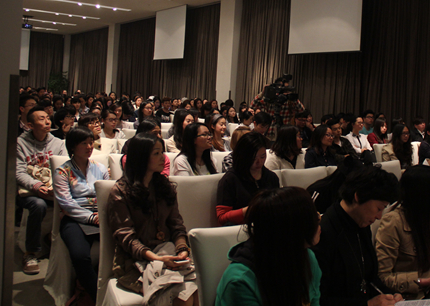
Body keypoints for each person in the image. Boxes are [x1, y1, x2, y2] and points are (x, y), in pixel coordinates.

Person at [107, 133, 198, 305]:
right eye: (156, 153)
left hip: (168, 251)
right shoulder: (120, 192)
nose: (163, 157)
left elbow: (177, 225)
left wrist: (182, 250)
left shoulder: (164, 186)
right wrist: (158, 259)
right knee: (182, 297)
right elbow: (127, 238)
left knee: (198, 288)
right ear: (141, 157)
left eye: (162, 152)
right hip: (136, 261)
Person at [312, 165, 404, 306]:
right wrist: (368, 304)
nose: (379, 216)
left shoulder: (360, 222)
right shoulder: (324, 233)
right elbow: (320, 300)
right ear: (358, 196)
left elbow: (369, 278)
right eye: (379, 208)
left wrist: (390, 296)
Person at [215, 187, 322, 306]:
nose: (319, 219)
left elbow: (313, 300)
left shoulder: (307, 257)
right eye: (313, 218)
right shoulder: (240, 283)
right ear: (293, 229)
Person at [375, 165, 430, 299]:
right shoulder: (393, 223)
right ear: (425, 193)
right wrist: (422, 282)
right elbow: (383, 277)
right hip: (411, 297)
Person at [54, 127, 109, 302]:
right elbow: (66, 203)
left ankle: (107, 287)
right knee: (80, 255)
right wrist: (90, 217)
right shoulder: (62, 171)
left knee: (122, 242)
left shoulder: (100, 168)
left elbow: (107, 194)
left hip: (100, 216)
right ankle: (98, 298)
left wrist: (102, 214)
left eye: (91, 142)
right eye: (84, 143)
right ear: (72, 146)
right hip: (74, 219)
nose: (89, 147)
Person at [16, 105, 68, 274]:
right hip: (28, 190)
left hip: (51, 187)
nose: (47, 121)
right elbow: (18, 172)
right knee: (38, 205)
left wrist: (54, 186)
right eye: (41, 119)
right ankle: (30, 253)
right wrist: (37, 186)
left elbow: (63, 167)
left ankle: (54, 240)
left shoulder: (57, 143)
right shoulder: (20, 143)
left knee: (73, 200)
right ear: (30, 125)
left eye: (47, 118)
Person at [216, 133, 280, 226]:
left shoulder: (271, 177)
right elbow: (222, 218)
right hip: (240, 229)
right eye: (253, 158)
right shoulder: (230, 179)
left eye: (262, 157)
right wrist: (249, 210)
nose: (259, 162)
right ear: (243, 156)